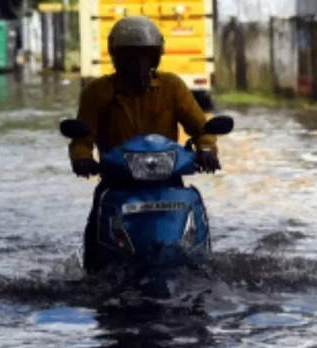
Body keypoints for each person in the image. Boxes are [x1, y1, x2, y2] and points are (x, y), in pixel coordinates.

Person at [68, 16, 220, 271]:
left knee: (196, 222)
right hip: (117, 182)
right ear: (116, 58)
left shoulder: (172, 87)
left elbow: (201, 128)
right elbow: (82, 137)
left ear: (155, 58)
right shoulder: (98, 92)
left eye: (144, 56)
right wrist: (82, 159)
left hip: (168, 180)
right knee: (97, 228)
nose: (138, 65)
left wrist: (206, 150)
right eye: (130, 57)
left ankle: (201, 261)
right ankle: (93, 272)